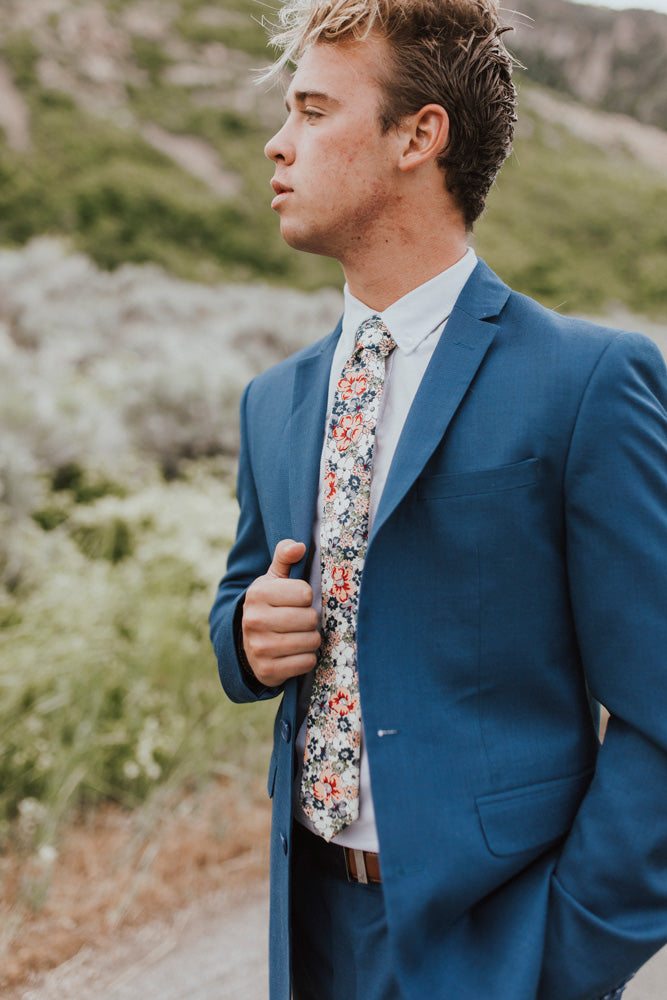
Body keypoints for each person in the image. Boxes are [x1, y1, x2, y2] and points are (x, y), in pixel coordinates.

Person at [209, 1, 667, 998]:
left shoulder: (586, 380)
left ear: (419, 135)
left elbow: (659, 706)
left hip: (501, 944)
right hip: (315, 935)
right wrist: (246, 636)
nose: (276, 144)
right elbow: (242, 598)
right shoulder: (274, 400)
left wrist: (564, 951)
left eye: (314, 111)